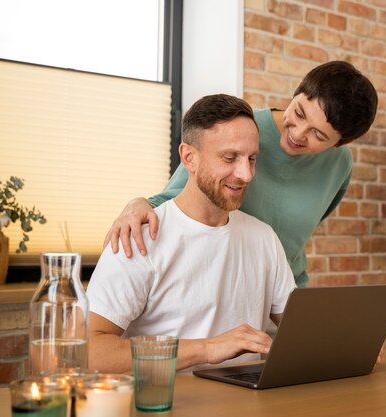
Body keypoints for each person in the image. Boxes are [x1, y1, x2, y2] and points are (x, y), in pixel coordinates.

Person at [104, 60, 378, 287]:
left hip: (284, 298)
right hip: (223, 291)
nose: (297, 133)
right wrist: (136, 204)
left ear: (340, 143)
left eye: (318, 134)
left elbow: (296, 236)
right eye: (299, 113)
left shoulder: (339, 165)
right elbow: (176, 200)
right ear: (296, 93)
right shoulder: (243, 132)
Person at [87, 94, 296, 373]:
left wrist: (345, 338)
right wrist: (207, 348)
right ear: (189, 157)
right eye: (230, 158)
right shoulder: (139, 237)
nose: (245, 174)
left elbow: (301, 331)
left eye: (252, 159)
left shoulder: (264, 238)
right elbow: (88, 351)